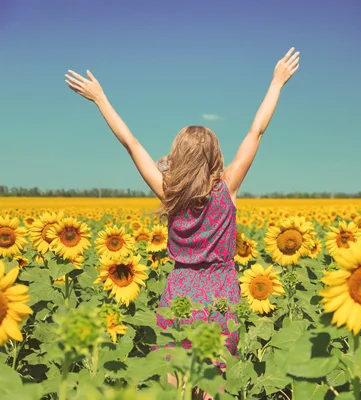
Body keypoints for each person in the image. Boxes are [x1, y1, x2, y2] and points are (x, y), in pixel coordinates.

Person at [65, 47, 300, 399]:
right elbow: (257, 131)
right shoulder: (228, 187)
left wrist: (100, 98)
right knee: (215, 383)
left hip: (180, 292)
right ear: (214, 156)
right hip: (221, 292)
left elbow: (131, 143)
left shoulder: (168, 192)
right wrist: (277, 82)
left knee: (174, 379)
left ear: (178, 156)